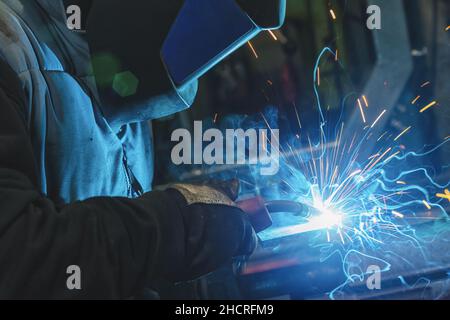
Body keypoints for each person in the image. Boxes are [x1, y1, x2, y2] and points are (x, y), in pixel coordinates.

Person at [0, 0, 284, 299]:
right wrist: (179, 228)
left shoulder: (122, 57)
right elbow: (19, 257)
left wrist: (192, 213)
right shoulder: (10, 48)